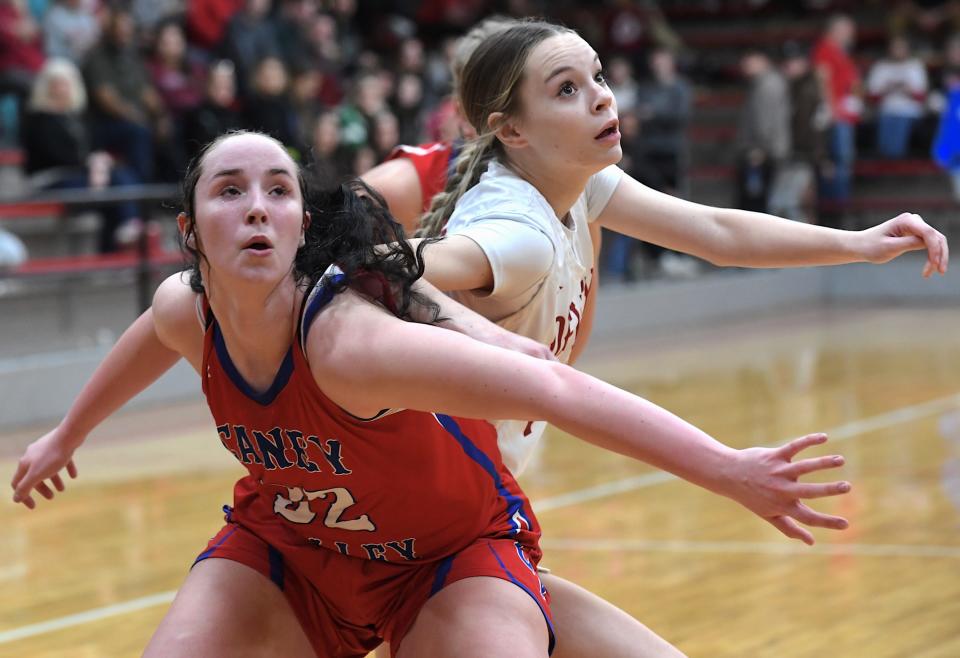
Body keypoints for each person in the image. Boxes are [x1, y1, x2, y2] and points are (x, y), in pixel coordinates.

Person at [11, 130, 856, 657]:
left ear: (305, 224)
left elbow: (549, 386)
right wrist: (66, 435)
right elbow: (147, 340)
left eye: (279, 190)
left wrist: (726, 469)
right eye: (230, 191)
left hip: (447, 560)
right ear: (191, 232)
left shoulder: (350, 345)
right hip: (295, 554)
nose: (258, 207)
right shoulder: (180, 308)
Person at [364, 18, 948, 655]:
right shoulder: (517, 231)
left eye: (599, 76)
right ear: (511, 130)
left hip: (468, 509)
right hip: (418, 518)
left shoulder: (578, 183)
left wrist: (857, 245)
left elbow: (717, 232)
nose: (602, 96)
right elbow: (395, 265)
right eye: (567, 89)